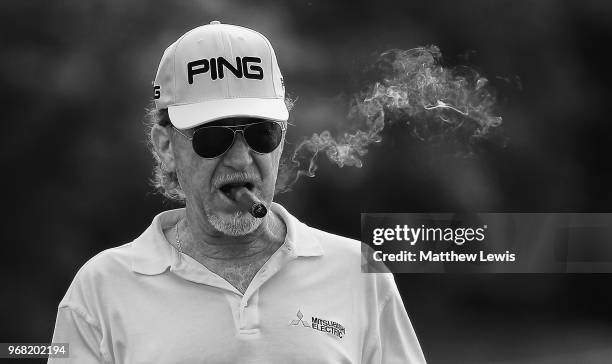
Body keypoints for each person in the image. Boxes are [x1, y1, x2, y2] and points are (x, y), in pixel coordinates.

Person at [50, 21, 427, 363]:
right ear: (166, 147)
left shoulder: (358, 273)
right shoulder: (101, 289)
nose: (241, 158)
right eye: (213, 136)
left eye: (261, 133)